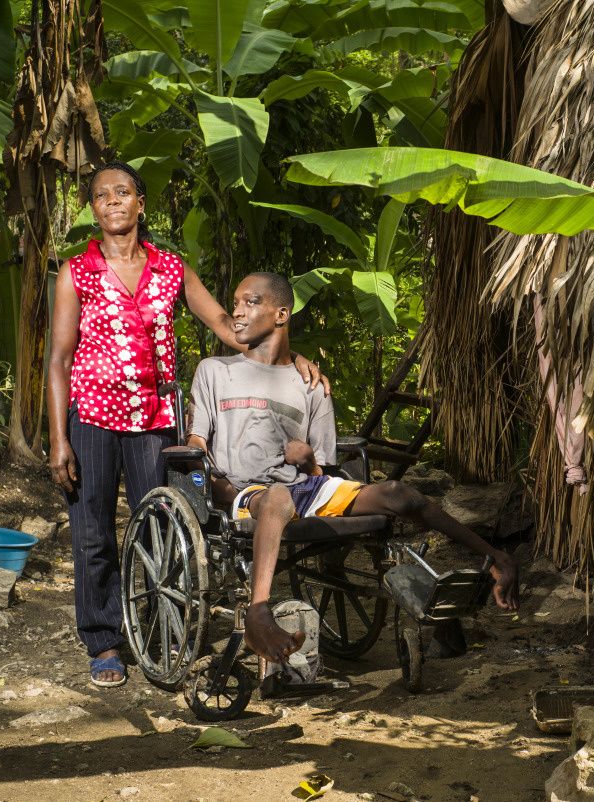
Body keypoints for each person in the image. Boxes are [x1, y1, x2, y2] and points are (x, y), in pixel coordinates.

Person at [47, 162, 330, 687]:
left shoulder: (170, 269)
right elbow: (59, 359)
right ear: (93, 210)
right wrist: (58, 438)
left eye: (123, 192)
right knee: (92, 532)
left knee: (162, 527)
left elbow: (228, 326)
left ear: (140, 204)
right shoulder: (76, 272)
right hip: (90, 415)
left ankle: (159, 626)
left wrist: (293, 358)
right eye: (102, 195)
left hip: (155, 420)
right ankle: (104, 640)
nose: (112, 201)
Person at [186, 272, 520, 664]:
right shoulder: (214, 370)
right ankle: (259, 612)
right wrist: (204, 470)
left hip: (304, 492)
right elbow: (197, 442)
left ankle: (496, 558)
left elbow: (320, 475)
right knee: (277, 497)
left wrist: (308, 459)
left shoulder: (311, 386)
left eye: (249, 303)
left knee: (398, 493)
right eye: (236, 302)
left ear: (280, 314)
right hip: (248, 494)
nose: (236, 314)